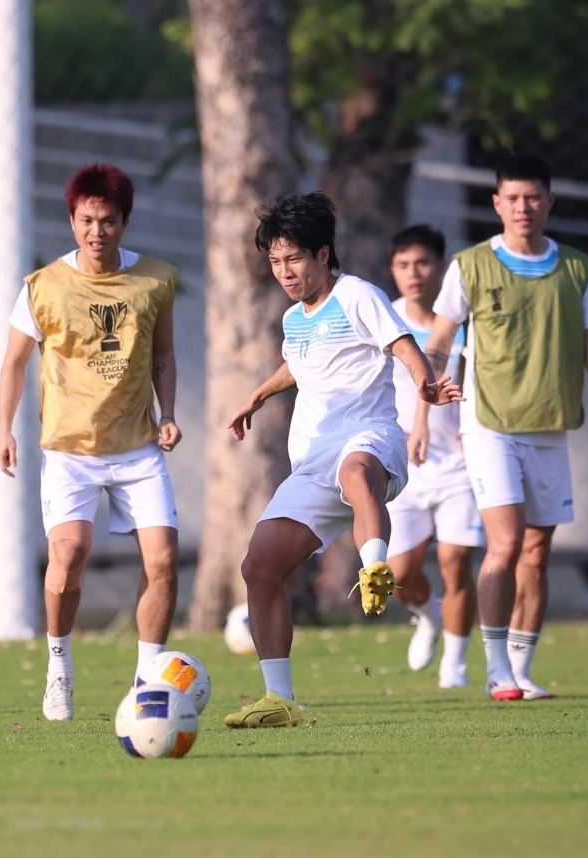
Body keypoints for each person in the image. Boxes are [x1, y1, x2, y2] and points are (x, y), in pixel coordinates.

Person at [224, 193, 461, 728]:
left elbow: (399, 342)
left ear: (323, 254)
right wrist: (255, 398)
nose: (285, 271)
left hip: (371, 436)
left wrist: (424, 383)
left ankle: (374, 565)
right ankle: (278, 699)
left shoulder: (356, 295)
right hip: (312, 459)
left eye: (295, 259)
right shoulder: (293, 319)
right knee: (259, 567)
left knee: (357, 473)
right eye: (276, 261)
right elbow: (298, 368)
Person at [424, 154, 588, 701]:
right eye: (512, 198)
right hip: (489, 422)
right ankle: (494, 669)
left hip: (551, 425)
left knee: (538, 553)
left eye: (533, 197)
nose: (523, 207)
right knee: (507, 543)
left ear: (549, 202)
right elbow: (441, 336)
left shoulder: (576, 269)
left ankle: (520, 667)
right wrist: (431, 380)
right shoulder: (469, 265)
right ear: (496, 204)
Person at [0, 163, 181, 721]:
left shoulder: (154, 280)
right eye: (85, 220)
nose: (96, 231)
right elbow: (13, 364)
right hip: (70, 450)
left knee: (164, 562)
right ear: (72, 220)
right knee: (70, 555)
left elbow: (164, 356)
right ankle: (58, 667)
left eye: (107, 220)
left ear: (125, 222)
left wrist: (168, 413)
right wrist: (3, 428)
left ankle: (148, 681)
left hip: (138, 447)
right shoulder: (43, 287)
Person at [385, 225, 484, 688]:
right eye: (403, 265)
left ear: (442, 267)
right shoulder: (385, 320)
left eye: (423, 263)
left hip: (459, 464)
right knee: (399, 573)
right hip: (403, 466)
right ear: (393, 270)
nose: (414, 274)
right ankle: (428, 616)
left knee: (456, 559)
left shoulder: (464, 325)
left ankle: (456, 667)